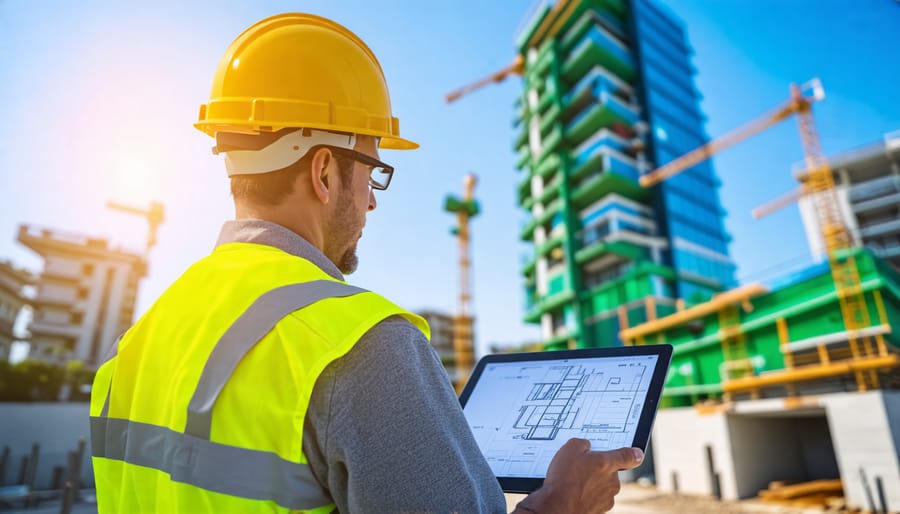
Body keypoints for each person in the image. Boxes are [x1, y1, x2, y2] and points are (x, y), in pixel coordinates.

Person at [89, 12, 643, 513]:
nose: (374, 199)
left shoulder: (133, 347)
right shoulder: (358, 344)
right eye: (373, 172)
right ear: (324, 172)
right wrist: (562, 504)